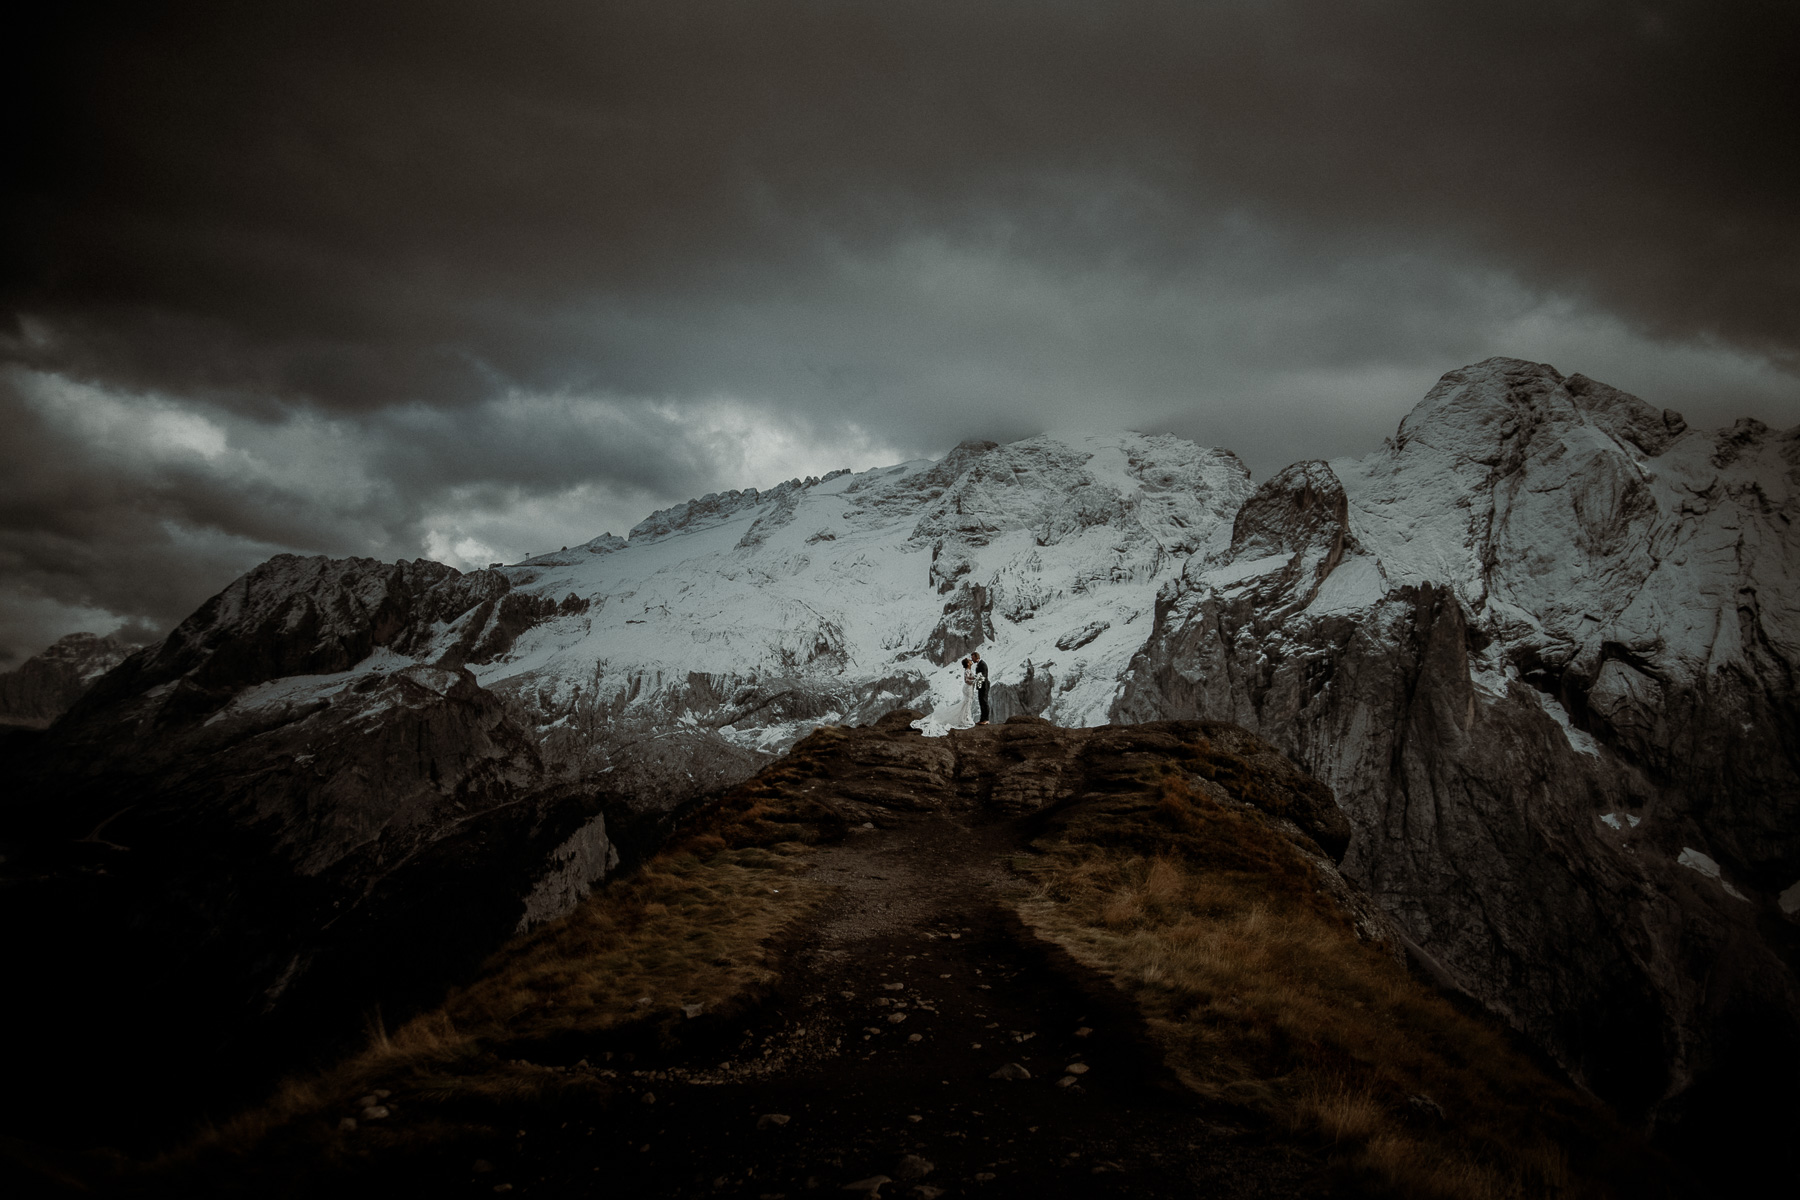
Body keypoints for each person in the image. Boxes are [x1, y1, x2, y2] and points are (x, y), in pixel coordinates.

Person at [953, 657, 977, 727]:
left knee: (967, 702)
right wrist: (974, 680)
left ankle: (964, 718)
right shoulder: (967, 670)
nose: (971, 660)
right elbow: (966, 680)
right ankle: (966, 719)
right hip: (968, 688)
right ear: (967, 663)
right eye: (969, 660)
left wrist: (974, 678)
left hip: (969, 687)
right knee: (968, 702)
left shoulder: (968, 670)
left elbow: (969, 678)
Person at [971, 650, 991, 724]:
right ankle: (982, 719)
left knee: (984, 702)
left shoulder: (982, 664)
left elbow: (983, 676)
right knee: (981, 702)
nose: (972, 659)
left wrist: (975, 677)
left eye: (972, 657)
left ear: (976, 657)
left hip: (984, 686)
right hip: (982, 686)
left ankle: (986, 719)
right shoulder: (980, 664)